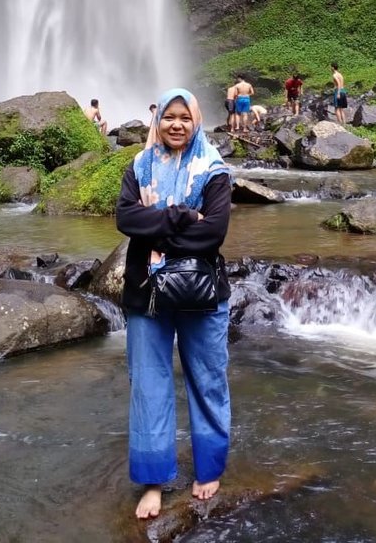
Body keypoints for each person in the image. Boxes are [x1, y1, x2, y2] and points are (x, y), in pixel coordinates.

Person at [116, 89, 232, 520]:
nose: (177, 124)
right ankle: (153, 481)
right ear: (157, 121)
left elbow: (214, 232)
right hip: (146, 293)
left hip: (202, 294)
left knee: (207, 379)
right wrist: (181, 215)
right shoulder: (139, 166)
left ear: (196, 121)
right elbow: (126, 219)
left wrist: (156, 225)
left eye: (185, 117)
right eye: (169, 117)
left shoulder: (214, 170)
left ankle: (209, 469)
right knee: (148, 384)